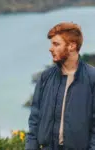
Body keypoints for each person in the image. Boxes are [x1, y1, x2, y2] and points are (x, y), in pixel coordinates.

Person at [25, 22, 95, 150]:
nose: (50, 48)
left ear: (72, 46)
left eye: (56, 44)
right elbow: (34, 122)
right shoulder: (45, 77)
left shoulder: (92, 79)